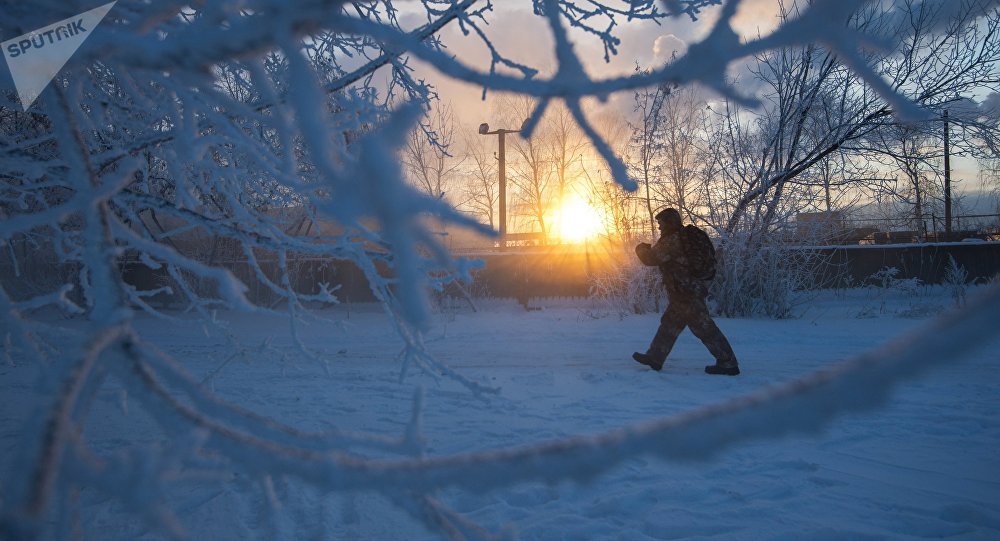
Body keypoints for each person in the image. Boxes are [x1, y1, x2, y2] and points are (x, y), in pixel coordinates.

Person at [632, 208, 740, 375]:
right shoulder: (684, 237)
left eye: (661, 223)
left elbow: (650, 258)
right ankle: (655, 357)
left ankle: (728, 362)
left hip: (686, 292)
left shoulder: (672, 240)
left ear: (670, 222)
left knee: (703, 327)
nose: (659, 227)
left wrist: (640, 248)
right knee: (670, 323)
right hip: (687, 290)